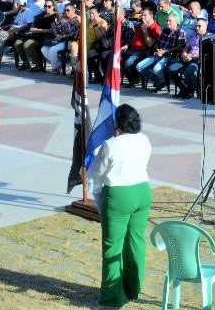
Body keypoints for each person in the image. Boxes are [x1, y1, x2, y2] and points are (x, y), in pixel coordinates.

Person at [89, 104, 152, 307]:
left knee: (112, 246)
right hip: (142, 191)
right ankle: (134, 288)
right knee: (136, 241)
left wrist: (98, 195)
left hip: (118, 195)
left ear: (118, 123)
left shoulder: (110, 145)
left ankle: (112, 296)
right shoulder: (144, 140)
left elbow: (97, 174)